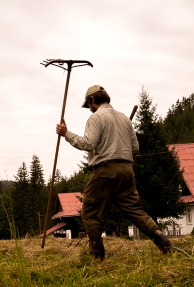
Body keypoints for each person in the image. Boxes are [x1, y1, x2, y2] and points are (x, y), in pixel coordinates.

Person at [56, 85, 172, 261]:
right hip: (127, 171)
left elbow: (88, 144)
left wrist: (66, 133)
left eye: (89, 106)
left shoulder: (96, 118)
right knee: (134, 210)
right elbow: (135, 148)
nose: (90, 110)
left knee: (89, 212)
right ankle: (159, 235)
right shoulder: (124, 118)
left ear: (92, 100)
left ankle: (97, 257)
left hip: (105, 171)